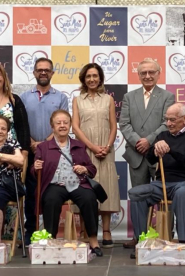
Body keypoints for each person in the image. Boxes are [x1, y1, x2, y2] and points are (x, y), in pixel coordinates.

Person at [128, 103, 185, 259]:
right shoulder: (162, 136)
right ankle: (142, 242)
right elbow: (149, 159)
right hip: (161, 184)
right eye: (167, 120)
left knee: (182, 194)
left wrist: (171, 150)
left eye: (172, 120)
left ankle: (183, 244)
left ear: (184, 119)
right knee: (136, 193)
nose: (168, 123)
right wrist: (154, 148)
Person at [119, 58, 175, 248]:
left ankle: (166, 235)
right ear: (139, 74)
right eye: (143, 73)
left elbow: (167, 123)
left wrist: (149, 141)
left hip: (158, 154)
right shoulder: (129, 97)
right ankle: (139, 237)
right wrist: (137, 142)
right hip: (136, 155)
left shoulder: (167, 96)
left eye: (151, 72)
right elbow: (124, 124)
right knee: (138, 198)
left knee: (165, 197)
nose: (148, 76)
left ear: (159, 73)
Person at [32, 110, 102, 257]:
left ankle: (93, 240)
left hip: (77, 184)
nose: (62, 125)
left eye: (66, 122)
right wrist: (35, 167)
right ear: (52, 127)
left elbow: (92, 169)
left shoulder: (79, 145)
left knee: (89, 199)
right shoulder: (43, 147)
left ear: (70, 125)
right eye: (58, 123)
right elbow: (34, 171)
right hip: (55, 185)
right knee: (50, 200)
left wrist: (84, 169)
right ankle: (50, 240)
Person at [20, 58, 68, 245]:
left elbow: (63, 124)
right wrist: (32, 143)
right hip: (30, 151)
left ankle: (50, 235)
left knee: (51, 192)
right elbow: (22, 125)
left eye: (47, 70)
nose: (43, 73)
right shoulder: (24, 97)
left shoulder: (61, 97)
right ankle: (30, 232)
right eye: (40, 70)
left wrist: (44, 144)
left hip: (53, 150)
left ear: (52, 73)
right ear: (34, 73)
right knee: (31, 193)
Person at [72, 63, 120, 248]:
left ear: (100, 78)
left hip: (105, 152)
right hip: (85, 151)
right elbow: (75, 127)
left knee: (105, 187)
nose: (92, 79)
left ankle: (106, 231)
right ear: (84, 79)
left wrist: (107, 147)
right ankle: (86, 231)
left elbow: (114, 126)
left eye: (95, 76)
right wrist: (92, 147)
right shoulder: (77, 100)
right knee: (85, 189)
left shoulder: (108, 99)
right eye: (88, 76)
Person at [0, 115, 25, 241]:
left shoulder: (12, 143)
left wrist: (1, 156)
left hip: (7, 185)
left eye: (3, 128)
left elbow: (20, 161)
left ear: (7, 131)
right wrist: (9, 158)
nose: (0, 131)